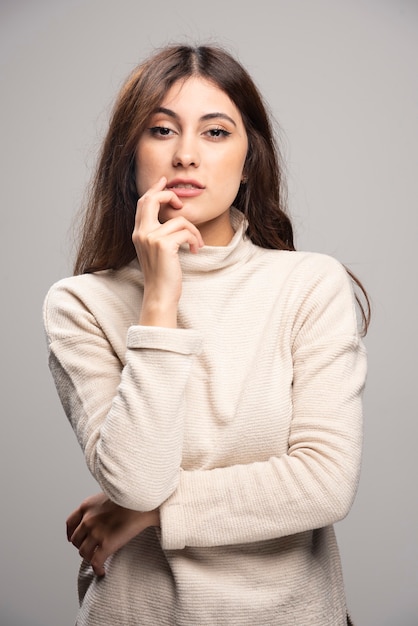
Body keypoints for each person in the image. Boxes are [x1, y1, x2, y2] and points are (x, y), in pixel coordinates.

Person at [43, 43, 369, 626]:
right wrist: (161, 298)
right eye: (162, 130)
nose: (186, 155)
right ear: (130, 157)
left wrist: (148, 516)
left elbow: (325, 483)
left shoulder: (309, 285)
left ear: (250, 160)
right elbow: (136, 481)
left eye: (216, 132)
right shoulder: (81, 304)